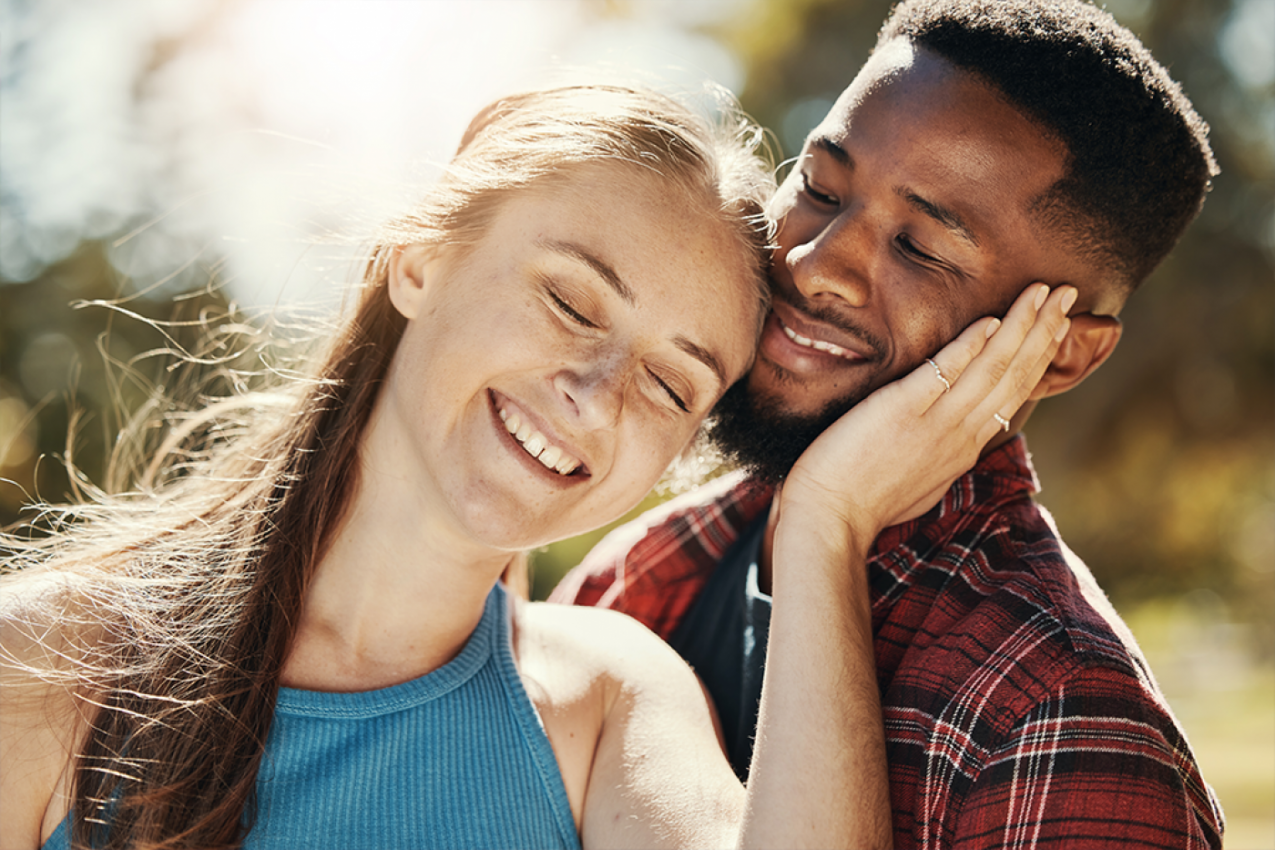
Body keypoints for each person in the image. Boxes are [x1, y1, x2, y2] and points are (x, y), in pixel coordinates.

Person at [0, 83, 1069, 850]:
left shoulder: (609, 701)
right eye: (569, 301)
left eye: (671, 385)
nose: (598, 392)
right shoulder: (46, 667)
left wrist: (824, 519)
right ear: (418, 262)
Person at [551, 2, 1226, 848]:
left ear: (1058, 354)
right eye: (820, 188)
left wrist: (826, 521)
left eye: (921, 250)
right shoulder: (634, 576)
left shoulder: (1054, 716)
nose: (814, 263)